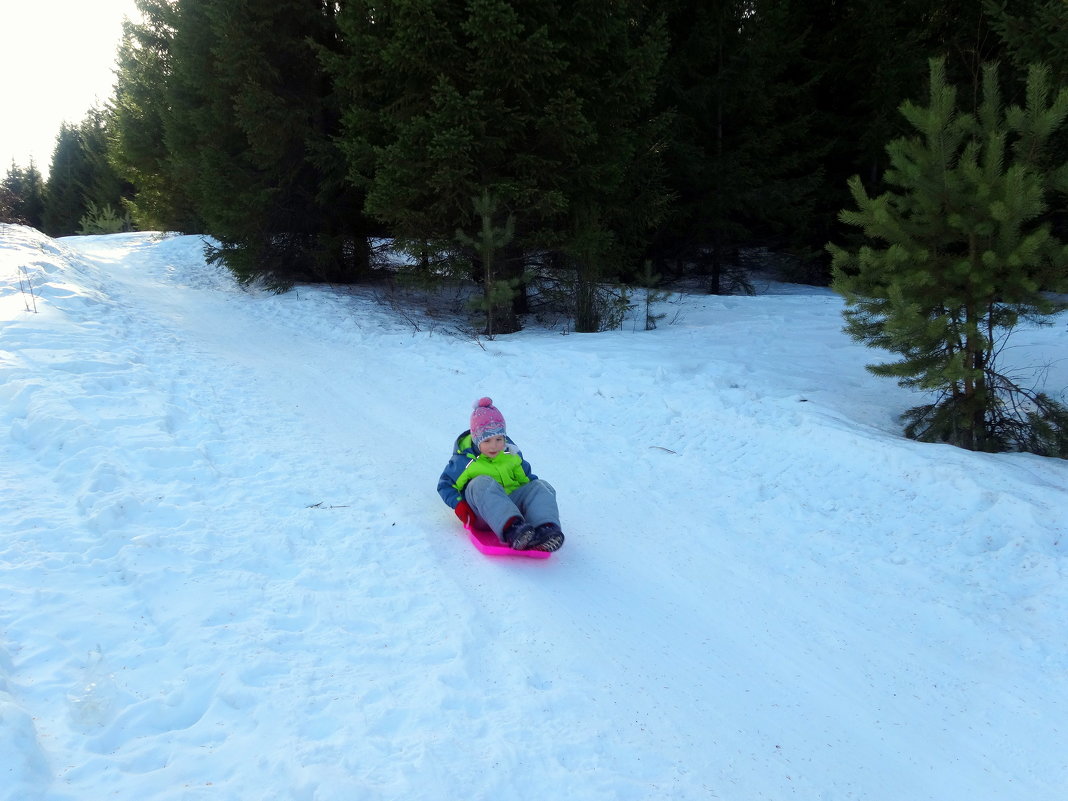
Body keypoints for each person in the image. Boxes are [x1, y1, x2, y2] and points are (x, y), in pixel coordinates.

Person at [437, 397, 565, 552]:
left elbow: (527, 480)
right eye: (487, 440)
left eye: (499, 439)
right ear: (477, 440)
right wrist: (459, 505)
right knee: (481, 483)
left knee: (541, 486)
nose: (494, 446)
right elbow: (445, 484)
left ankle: (545, 529)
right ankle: (513, 530)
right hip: (482, 513)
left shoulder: (510, 453)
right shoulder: (465, 460)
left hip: (513, 508)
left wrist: (535, 500)